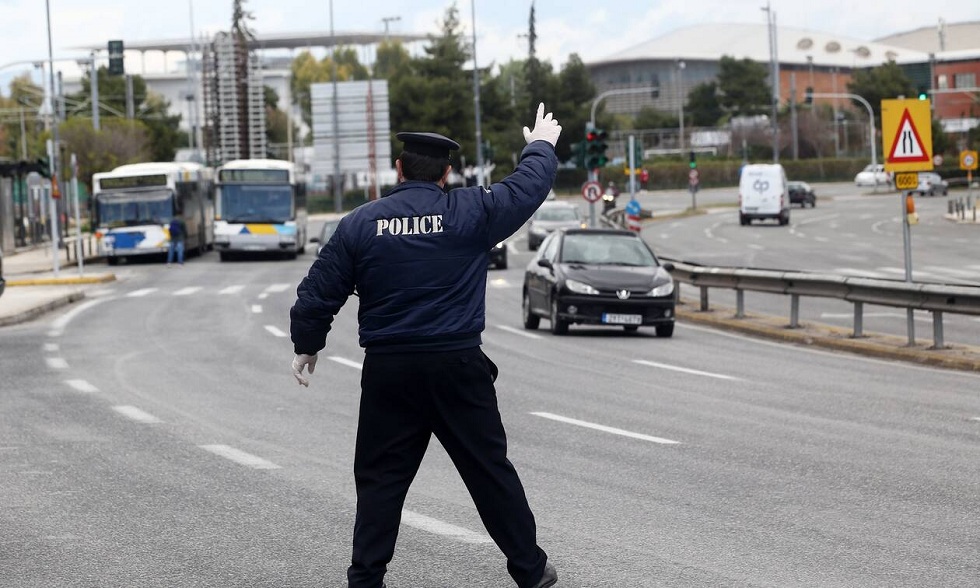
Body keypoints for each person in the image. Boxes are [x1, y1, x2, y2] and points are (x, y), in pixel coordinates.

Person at [289, 103, 562, 588]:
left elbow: (318, 291)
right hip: (457, 365)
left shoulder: (360, 224)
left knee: (380, 479)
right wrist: (539, 145)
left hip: (390, 371)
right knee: (489, 473)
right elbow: (526, 189)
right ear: (447, 172)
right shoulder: (471, 211)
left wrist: (308, 344)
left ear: (398, 169)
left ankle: (366, 578)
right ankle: (530, 569)